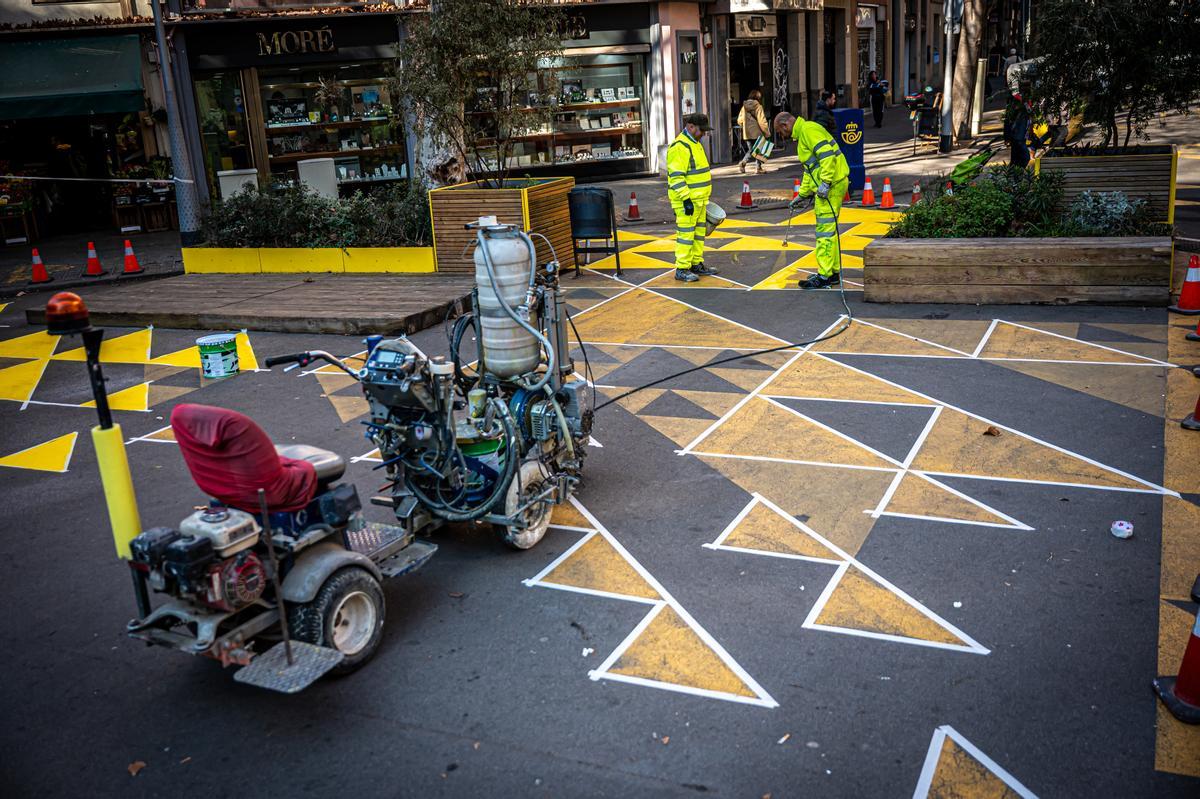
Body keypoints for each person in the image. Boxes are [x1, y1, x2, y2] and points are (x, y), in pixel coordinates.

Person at [773, 111, 850, 289]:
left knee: (824, 233)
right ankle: (832, 272)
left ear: (785, 125)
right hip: (832, 185)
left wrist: (825, 182)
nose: (782, 136)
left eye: (780, 132)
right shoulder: (805, 133)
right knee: (829, 232)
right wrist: (803, 193)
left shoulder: (808, 130)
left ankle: (824, 276)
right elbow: (810, 170)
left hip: (831, 187)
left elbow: (828, 156)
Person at [665, 113, 718, 283]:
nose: (703, 134)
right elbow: (676, 177)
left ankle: (696, 264)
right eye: (701, 130)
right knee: (686, 235)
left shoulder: (695, 144)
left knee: (698, 234)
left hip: (699, 200)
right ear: (690, 127)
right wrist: (686, 199)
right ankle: (682, 268)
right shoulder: (680, 146)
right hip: (687, 202)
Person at [737, 89, 771, 174]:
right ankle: (758, 168)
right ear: (758, 97)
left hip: (747, 133)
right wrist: (767, 133)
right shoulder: (758, 106)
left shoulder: (744, 107)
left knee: (751, 150)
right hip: (757, 132)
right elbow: (762, 121)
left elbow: (739, 120)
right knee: (757, 150)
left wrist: (745, 125)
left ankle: (744, 163)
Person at [1003, 92, 1032, 168]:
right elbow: (1007, 124)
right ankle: (1016, 173)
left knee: (1016, 159)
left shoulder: (1024, 111)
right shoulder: (1016, 112)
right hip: (1018, 139)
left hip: (1019, 138)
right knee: (1024, 158)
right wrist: (1006, 138)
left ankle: (1015, 174)